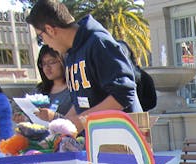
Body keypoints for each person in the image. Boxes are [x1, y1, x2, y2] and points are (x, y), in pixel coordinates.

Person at [26, 0, 141, 133]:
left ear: (50, 30)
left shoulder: (98, 42)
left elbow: (124, 94)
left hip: (123, 137)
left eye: (41, 37)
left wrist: (82, 120)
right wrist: (61, 128)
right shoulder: (70, 54)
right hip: (97, 138)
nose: (44, 43)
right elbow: (81, 103)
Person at [117, 40, 157, 112]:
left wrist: (137, 106)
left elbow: (152, 101)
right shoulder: (108, 77)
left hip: (137, 114)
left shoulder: (144, 77)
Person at [33, 45, 73, 116]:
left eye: (51, 62)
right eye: (43, 64)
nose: (47, 67)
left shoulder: (75, 89)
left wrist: (53, 117)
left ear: (64, 62)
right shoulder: (39, 89)